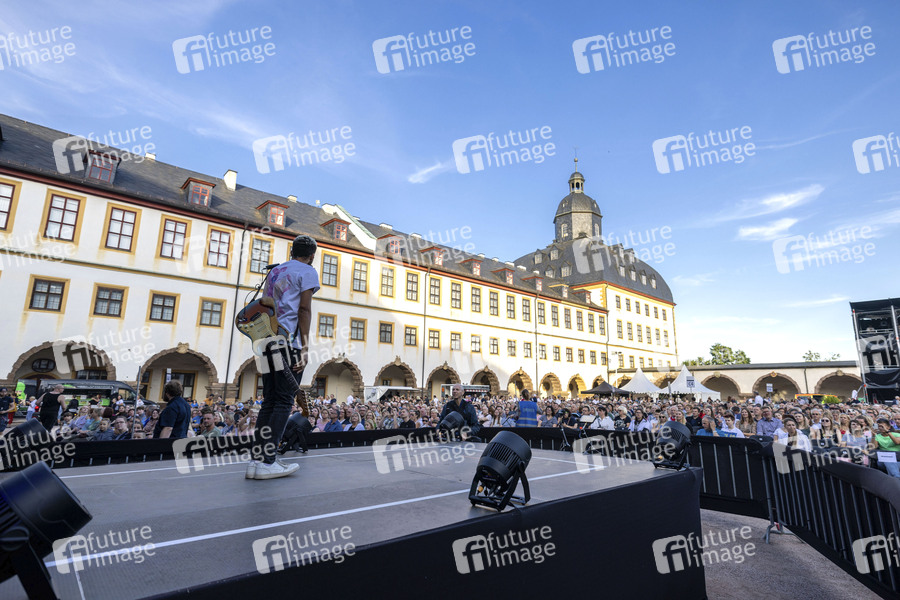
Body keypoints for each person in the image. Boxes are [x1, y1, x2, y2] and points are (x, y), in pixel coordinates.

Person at [250, 234, 320, 480]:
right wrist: (305, 347)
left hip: (266, 340)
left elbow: (265, 304)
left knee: (269, 401)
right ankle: (268, 461)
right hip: (288, 341)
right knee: (282, 401)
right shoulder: (308, 271)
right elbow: (304, 309)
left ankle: (257, 460)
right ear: (311, 255)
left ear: (292, 251)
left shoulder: (275, 271)